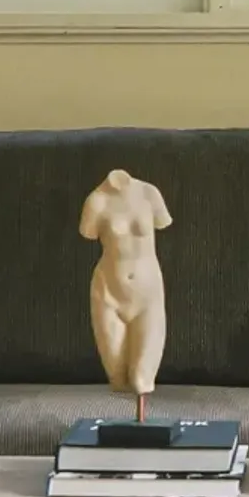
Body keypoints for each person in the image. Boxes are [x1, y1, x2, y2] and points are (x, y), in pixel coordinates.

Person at [79, 169, 172, 406]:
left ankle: (141, 427)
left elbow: (162, 221)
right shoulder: (96, 201)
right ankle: (128, 434)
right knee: (118, 378)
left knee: (141, 378)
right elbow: (87, 232)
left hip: (147, 294)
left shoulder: (149, 193)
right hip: (108, 293)